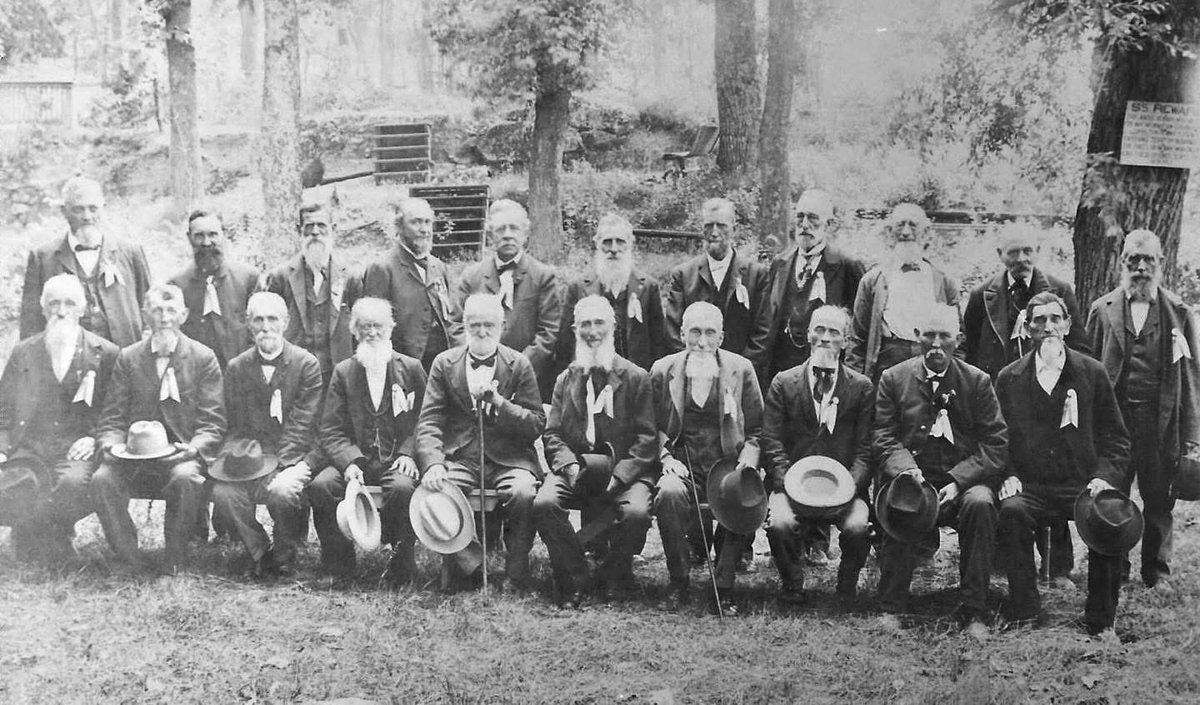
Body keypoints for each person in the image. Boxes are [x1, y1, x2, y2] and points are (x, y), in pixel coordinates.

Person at [996, 292, 1131, 640]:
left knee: (1110, 515)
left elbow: (1116, 439)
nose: (1048, 327)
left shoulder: (1092, 373)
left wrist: (1103, 478)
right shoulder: (1009, 377)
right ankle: (1025, 608)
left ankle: (1101, 621)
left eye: (1055, 318)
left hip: (1081, 485)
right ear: (1026, 329)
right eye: (1038, 320)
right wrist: (1008, 473)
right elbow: (997, 438)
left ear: (1068, 325)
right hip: (1031, 486)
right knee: (1011, 511)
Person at [873, 304, 1007, 639]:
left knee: (980, 503)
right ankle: (892, 606)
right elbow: (883, 435)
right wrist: (906, 470)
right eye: (928, 335)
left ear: (958, 339)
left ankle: (974, 609)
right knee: (899, 499)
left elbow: (995, 443)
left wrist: (960, 481)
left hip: (960, 484)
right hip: (914, 480)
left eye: (944, 336)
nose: (936, 344)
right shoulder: (894, 378)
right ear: (916, 337)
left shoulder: (977, 382)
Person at [962, 225, 1086, 581]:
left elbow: (1080, 346)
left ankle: (1058, 565)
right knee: (1005, 472)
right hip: (999, 397)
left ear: (1038, 251)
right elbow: (971, 351)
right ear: (1001, 254)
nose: (1021, 259)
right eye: (1013, 252)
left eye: (1027, 251)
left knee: (1050, 472)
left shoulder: (1060, 291)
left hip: (1050, 399)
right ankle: (1007, 557)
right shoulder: (981, 295)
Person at [1084, 229, 1200, 591]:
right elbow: (1087, 368)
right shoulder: (1102, 310)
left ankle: (1157, 569)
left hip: (1159, 421)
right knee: (1113, 493)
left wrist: (1193, 435)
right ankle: (1113, 564)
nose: (1141, 267)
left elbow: (1192, 377)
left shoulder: (1178, 312)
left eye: (1148, 259)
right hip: (1114, 422)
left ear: (1161, 264)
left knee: (1158, 496)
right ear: (1122, 263)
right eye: (1133, 259)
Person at [416, 294, 546, 592]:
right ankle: (471, 565)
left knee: (523, 492)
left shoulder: (519, 364)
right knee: (437, 491)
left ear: (502, 326)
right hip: (461, 457)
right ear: (464, 326)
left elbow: (536, 423)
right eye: (475, 325)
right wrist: (434, 463)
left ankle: (515, 572)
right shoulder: (444, 364)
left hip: (510, 459)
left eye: (489, 325)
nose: (483, 331)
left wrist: (501, 404)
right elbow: (430, 421)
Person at [91, 284, 226, 569]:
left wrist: (193, 448)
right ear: (145, 315)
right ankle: (129, 558)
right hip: (132, 458)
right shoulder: (129, 358)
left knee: (185, 478)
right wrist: (112, 445)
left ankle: (174, 559)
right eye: (157, 310)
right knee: (103, 479)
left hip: (181, 455)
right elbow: (112, 417)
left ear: (184, 315)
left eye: (171, 311)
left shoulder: (203, 358)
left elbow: (212, 422)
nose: (164, 318)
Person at [535, 296, 657, 606]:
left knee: (636, 512)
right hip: (578, 470)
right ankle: (575, 575)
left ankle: (614, 574)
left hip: (623, 473)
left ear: (613, 328)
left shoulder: (636, 377)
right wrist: (570, 468)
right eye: (585, 324)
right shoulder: (566, 378)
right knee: (545, 502)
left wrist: (620, 477)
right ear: (576, 330)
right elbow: (552, 434)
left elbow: (646, 439)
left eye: (599, 323)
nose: (593, 331)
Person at [649, 302, 764, 614]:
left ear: (721, 337)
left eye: (709, 333)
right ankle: (679, 580)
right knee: (669, 493)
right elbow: (650, 426)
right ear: (682, 334)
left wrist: (748, 461)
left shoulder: (742, 369)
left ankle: (724, 587)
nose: (701, 341)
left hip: (726, 464)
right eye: (694, 332)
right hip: (682, 464)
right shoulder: (663, 370)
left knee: (739, 489)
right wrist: (664, 456)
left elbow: (756, 430)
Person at [0, 274, 120, 561]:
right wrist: (2, 449)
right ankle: (35, 534)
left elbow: (115, 412)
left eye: (70, 303)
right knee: (15, 482)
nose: (61, 311)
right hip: (30, 446)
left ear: (83, 309)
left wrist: (95, 439)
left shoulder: (106, 353)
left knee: (71, 483)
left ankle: (52, 534)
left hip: (77, 447)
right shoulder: (24, 351)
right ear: (43, 309)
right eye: (54, 304)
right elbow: (3, 409)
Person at [308, 297, 427, 583]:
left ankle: (401, 565)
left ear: (390, 329)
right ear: (355, 331)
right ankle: (338, 565)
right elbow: (331, 428)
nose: (372, 333)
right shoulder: (344, 371)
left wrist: (409, 454)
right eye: (365, 327)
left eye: (378, 326)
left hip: (396, 457)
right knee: (322, 485)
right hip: (356, 458)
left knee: (402, 488)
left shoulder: (410, 369)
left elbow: (427, 419)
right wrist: (348, 461)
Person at [761, 305, 873, 605]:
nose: (825, 338)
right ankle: (792, 585)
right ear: (808, 334)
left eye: (834, 332)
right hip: (793, 487)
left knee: (858, 525)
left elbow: (865, 449)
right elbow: (771, 441)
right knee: (780, 521)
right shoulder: (783, 383)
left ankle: (846, 588)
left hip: (844, 490)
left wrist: (849, 487)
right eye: (818, 330)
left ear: (846, 341)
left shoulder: (861, 388)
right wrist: (789, 483)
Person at [210, 292, 324, 577]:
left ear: (285, 323)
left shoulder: (306, 364)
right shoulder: (237, 367)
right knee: (224, 492)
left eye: (272, 319)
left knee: (282, 490)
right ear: (248, 324)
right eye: (258, 319)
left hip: (292, 456)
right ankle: (260, 552)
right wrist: (238, 459)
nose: (265, 327)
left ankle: (284, 557)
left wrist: (282, 467)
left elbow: (303, 424)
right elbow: (233, 424)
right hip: (253, 457)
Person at [20, 176, 152, 348]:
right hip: (66, 361)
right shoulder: (42, 258)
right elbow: (30, 325)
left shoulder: (131, 253)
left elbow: (150, 309)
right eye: (78, 209)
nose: (87, 216)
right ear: (64, 211)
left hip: (122, 361)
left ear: (103, 208)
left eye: (93, 208)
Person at [454, 199, 562, 400]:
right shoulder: (472, 276)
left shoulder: (543, 276)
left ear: (525, 234)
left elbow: (548, 332)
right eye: (500, 229)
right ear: (490, 234)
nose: (507, 235)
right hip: (477, 376)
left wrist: (516, 368)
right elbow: (454, 325)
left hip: (528, 380)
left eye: (514, 228)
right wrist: (475, 358)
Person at [848, 203, 961, 382]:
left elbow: (958, 337)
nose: (906, 232)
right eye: (900, 225)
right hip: (887, 362)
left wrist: (953, 381)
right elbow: (857, 339)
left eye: (913, 226)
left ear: (925, 233)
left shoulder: (943, 281)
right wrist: (855, 385)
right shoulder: (873, 280)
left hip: (930, 360)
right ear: (890, 233)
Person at [763, 190, 866, 382]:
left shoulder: (847, 266)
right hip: (782, 371)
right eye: (800, 217)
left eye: (813, 218)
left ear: (829, 225)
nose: (804, 225)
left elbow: (859, 329)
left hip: (827, 369)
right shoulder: (780, 263)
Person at [663, 198, 772, 370]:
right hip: (693, 371)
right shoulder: (683, 276)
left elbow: (763, 334)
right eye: (709, 225)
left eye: (721, 225)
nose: (714, 232)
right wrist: (693, 366)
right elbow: (673, 332)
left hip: (739, 375)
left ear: (734, 229)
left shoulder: (756, 275)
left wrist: (738, 371)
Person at [556, 214, 667, 373]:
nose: (614, 249)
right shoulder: (578, 288)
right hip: (590, 376)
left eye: (620, 242)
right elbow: (565, 345)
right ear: (597, 244)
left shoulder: (649, 287)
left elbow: (658, 344)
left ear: (630, 244)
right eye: (607, 242)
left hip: (636, 381)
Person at [265, 202, 361, 384]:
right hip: (294, 377)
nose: (315, 232)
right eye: (309, 227)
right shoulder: (280, 278)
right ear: (298, 230)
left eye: (322, 226)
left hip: (338, 377)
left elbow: (360, 331)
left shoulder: (350, 277)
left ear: (333, 229)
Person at [361, 197, 460, 370]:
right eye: (416, 222)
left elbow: (450, 317)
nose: (424, 230)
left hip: (440, 366)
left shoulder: (439, 267)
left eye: (428, 222)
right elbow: (372, 327)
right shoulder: (382, 268)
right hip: (401, 368)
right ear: (400, 227)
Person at [168, 210, 262, 369]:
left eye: (213, 234)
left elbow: (260, 330)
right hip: (197, 377)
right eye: (199, 235)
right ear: (189, 238)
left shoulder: (248, 278)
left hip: (242, 375)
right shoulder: (177, 285)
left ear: (223, 235)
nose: (206, 242)